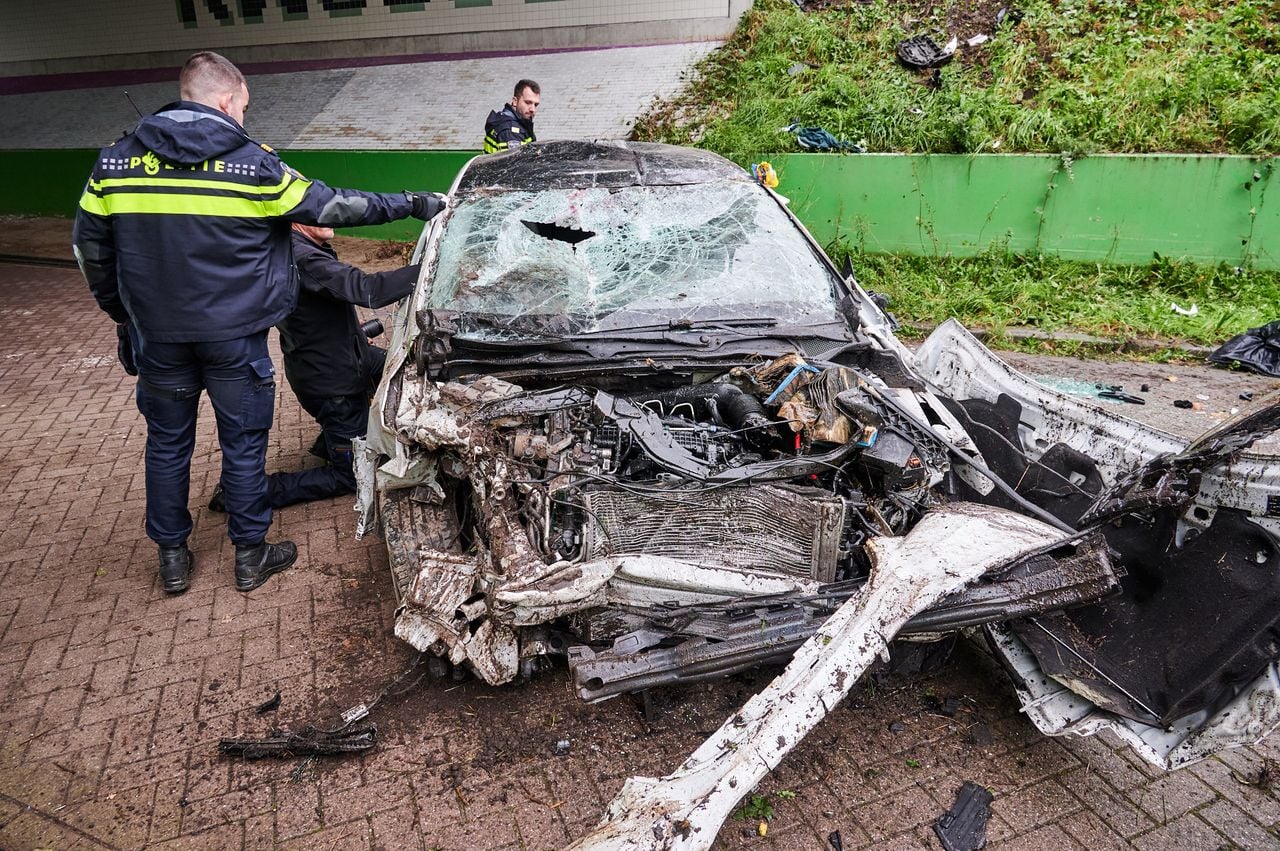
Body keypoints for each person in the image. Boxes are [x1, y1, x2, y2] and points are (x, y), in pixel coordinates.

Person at [72, 51, 446, 596]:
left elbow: (90, 253)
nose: (242, 118)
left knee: (167, 444)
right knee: (243, 444)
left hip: (159, 337)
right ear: (228, 100)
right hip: (235, 338)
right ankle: (250, 556)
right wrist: (412, 203)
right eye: (244, 108)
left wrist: (124, 318)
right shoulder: (252, 165)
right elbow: (334, 206)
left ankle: (172, 560)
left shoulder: (114, 163)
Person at [208, 223, 418, 512]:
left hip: (343, 358)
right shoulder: (304, 257)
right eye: (316, 213)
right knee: (352, 476)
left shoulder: (292, 247)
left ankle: (341, 438)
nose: (327, 218)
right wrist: (427, 270)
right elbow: (367, 288)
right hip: (333, 382)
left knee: (410, 371)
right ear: (295, 220)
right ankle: (244, 493)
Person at [483, 79, 540, 153]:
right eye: (528, 102)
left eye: (536, 105)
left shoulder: (507, 118)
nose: (532, 109)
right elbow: (514, 160)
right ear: (515, 101)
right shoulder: (511, 132)